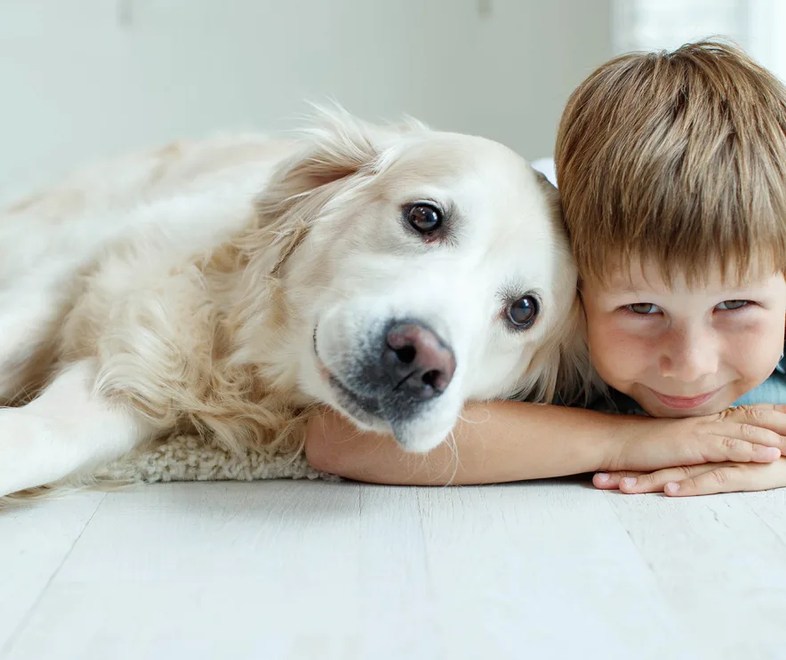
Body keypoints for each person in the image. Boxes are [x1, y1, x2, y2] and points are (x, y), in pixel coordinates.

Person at [304, 41, 786, 497]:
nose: (690, 364)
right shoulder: (552, 292)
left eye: (735, 304)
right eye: (642, 308)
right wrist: (629, 443)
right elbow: (335, 441)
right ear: (577, 293)